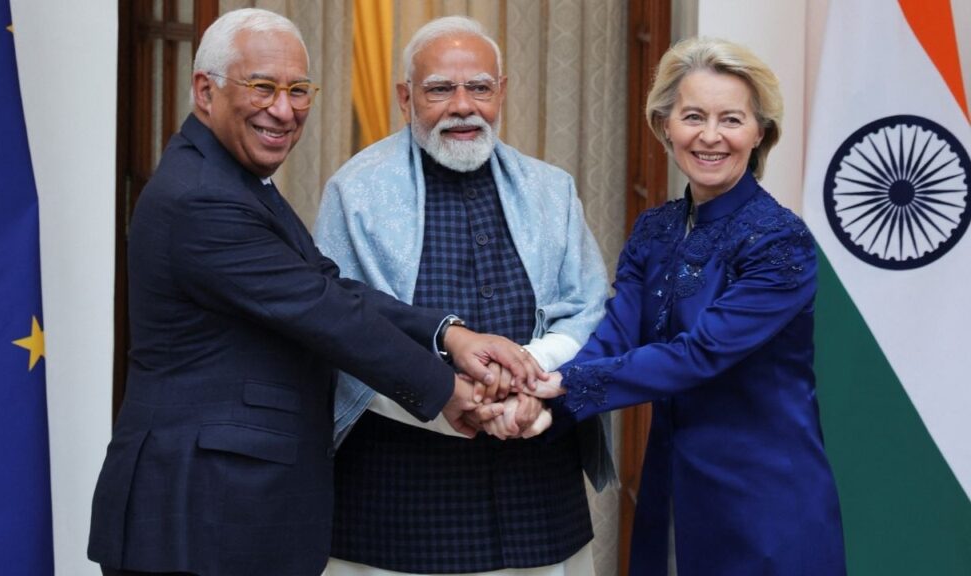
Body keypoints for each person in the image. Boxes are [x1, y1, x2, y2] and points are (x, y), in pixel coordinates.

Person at [87, 9, 541, 576]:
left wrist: (451, 334)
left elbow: (326, 286)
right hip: (197, 513)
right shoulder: (201, 198)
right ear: (205, 91)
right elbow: (325, 313)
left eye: (298, 89)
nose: (284, 109)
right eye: (263, 87)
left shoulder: (232, 179)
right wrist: (447, 389)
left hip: (230, 509)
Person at [314, 16, 616, 576]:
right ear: (405, 97)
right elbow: (338, 327)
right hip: (397, 504)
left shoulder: (551, 189)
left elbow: (590, 309)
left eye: (479, 87)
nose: (462, 105)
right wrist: (453, 394)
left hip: (536, 496)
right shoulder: (355, 192)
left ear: (501, 92)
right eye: (439, 89)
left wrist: (533, 376)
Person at [532, 37, 846, 575]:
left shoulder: (780, 241)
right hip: (672, 485)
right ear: (665, 125)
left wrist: (559, 388)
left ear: (759, 132)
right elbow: (616, 334)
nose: (709, 136)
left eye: (731, 119)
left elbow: (698, 355)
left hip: (766, 499)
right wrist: (537, 386)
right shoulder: (655, 230)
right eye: (693, 116)